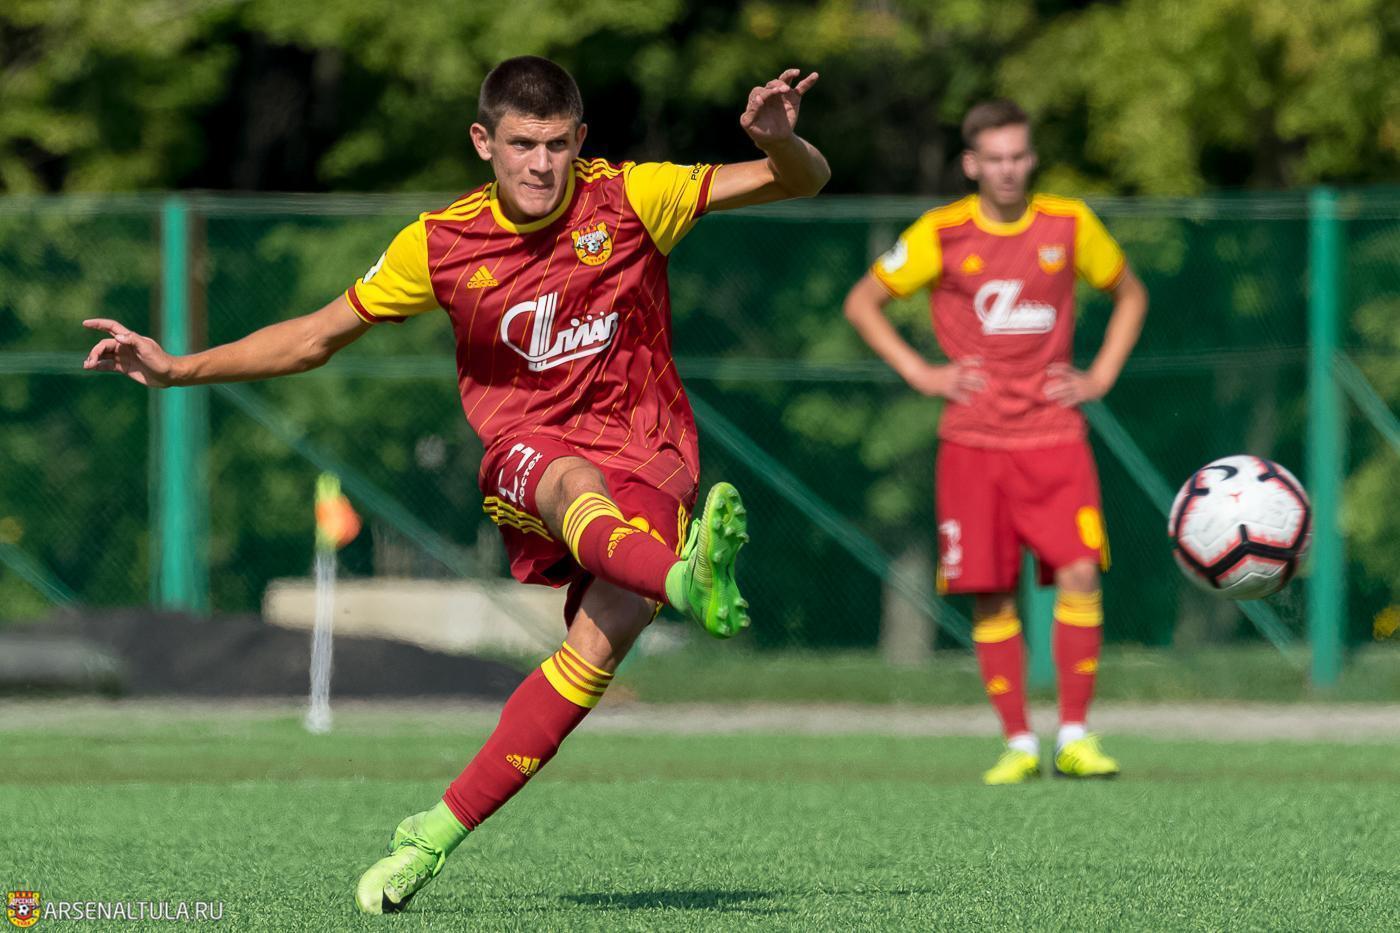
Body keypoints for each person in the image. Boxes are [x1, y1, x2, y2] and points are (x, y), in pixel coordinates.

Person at [83, 55, 829, 911]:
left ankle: (429, 836)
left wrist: (781, 140)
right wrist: (179, 368)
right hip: (529, 451)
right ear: (484, 142)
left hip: (650, 452)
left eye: (557, 144)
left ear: (581, 140)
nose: (541, 164)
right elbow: (316, 335)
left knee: (600, 643)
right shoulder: (439, 243)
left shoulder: (631, 196)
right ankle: (685, 580)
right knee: (569, 478)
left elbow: (799, 181)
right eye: (522, 144)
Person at [842, 99, 1148, 785]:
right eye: (995, 158)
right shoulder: (941, 233)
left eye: (1018, 156)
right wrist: (921, 372)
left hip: (1054, 436)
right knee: (991, 593)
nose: (1008, 169)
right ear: (972, 164)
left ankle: (1075, 735)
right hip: (973, 443)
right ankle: (1018, 742)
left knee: (1079, 573)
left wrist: (1100, 375)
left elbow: (1131, 294)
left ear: (1031, 159)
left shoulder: (1070, 224)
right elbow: (862, 303)